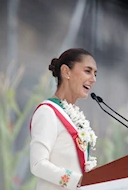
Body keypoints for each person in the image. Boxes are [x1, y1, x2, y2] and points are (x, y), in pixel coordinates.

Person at [29, 48, 98, 190]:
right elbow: (38, 164)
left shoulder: (75, 117)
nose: (93, 79)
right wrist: (78, 181)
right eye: (87, 71)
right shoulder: (47, 112)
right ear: (66, 71)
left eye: (95, 74)